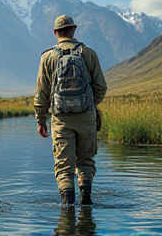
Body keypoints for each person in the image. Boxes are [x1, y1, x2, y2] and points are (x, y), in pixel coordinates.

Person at [34, 15, 107, 206]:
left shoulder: (47, 57)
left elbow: (41, 92)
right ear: (73, 29)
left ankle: (67, 209)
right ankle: (86, 202)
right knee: (85, 161)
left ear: (55, 32)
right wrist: (90, 106)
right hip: (86, 118)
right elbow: (100, 87)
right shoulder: (89, 53)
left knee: (63, 166)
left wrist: (40, 120)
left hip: (61, 119)